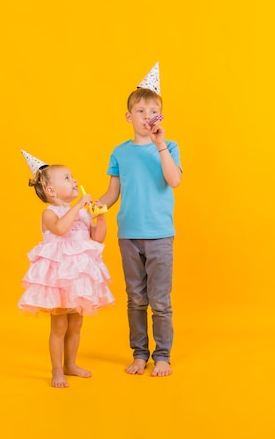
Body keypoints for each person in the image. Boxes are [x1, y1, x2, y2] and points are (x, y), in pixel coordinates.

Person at [99, 63, 182, 377]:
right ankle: (139, 354)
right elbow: (112, 194)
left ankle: (163, 356)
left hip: (160, 235)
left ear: (160, 117)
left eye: (153, 111)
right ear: (129, 116)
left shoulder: (169, 147)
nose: (147, 116)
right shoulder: (119, 153)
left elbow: (174, 180)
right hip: (129, 235)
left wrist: (161, 145)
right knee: (135, 298)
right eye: (141, 110)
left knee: (159, 300)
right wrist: (95, 205)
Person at [18, 150, 115, 388]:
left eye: (73, 177)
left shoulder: (81, 212)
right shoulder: (49, 212)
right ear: (51, 191)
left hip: (78, 277)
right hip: (58, 278)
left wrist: (99, 217)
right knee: (59, 325)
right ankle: (57, 370)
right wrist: (80, 205)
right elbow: (60, 229)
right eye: (68, 178)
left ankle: (71, 364)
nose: (74, 181)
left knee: (77, 324)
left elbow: (98, 238)